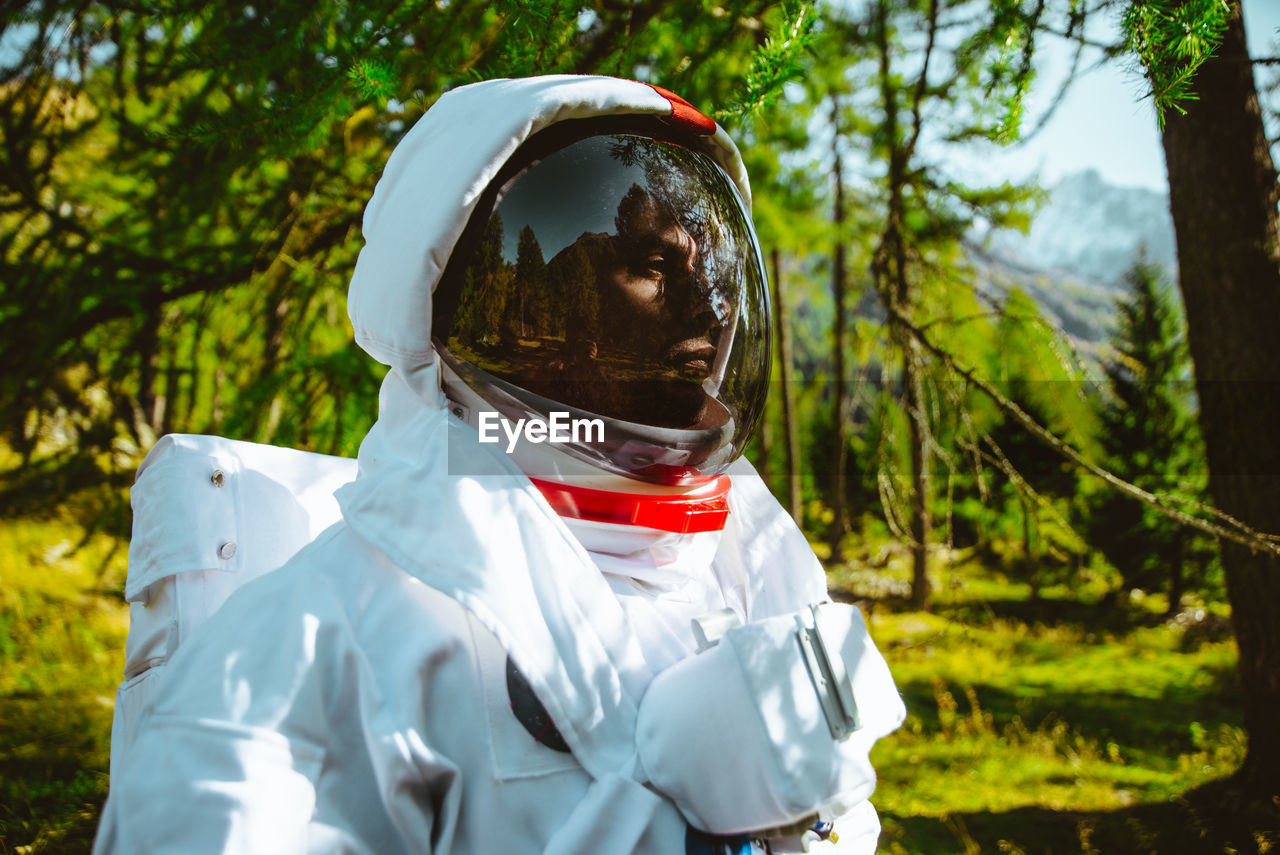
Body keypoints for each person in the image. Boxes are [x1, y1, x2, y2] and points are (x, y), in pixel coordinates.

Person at [93, 74, 905, 855]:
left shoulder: (747, 577)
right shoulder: (313, 649)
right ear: (507, 299)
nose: (709, 308)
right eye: (656, 267)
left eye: (708, 269)